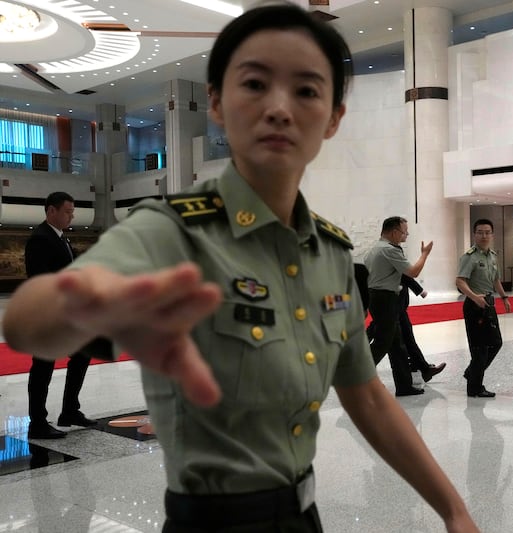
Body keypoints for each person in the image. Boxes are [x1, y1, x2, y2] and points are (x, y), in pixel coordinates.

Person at [2, 4, 478, 532]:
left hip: (304, 514)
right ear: (216, 103)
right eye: (254, 83)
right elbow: (30, 322)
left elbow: (365, 392)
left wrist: (453, 509)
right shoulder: (172, 230)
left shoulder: (329, 253)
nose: (279, 107)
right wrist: (83, 305)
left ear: (334, 117)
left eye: (306, 90)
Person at [24, 191, 97, 439]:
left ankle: (69, 410)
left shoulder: (60, 238)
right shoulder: (40, 238)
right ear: (51, 211)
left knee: (82, 354)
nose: (71, 216)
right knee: (43, 367)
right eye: (67, 211)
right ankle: (37, 423)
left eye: (72, 211)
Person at [363, 216, 432, 396]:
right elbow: (413, 272)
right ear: (394, 232)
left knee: (396, 345)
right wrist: (424, 254)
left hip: (381, 298)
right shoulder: (389, 250)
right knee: (382, 343)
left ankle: (404, 386)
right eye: (404, 232)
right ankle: (357, 378)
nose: (406, 235)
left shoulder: (376, 248)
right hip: (384, 299)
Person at [456, 219, 511, 398]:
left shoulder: (493, 256)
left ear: (492, 234)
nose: (484, 236)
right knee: (479, 348)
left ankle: (472, 372)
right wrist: (474, 297)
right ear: (474, 234)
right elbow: (460, 281)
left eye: (487, 232)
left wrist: (504, 298)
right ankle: (475, 388)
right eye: (480, 232)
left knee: (496, 342)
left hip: (489, 303)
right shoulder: (469, 256)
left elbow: (495, 280)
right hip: (474, 305)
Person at [366, 274, 446, 382]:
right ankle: (423, 368)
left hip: (391, 302)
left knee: (389, 333)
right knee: (403, 338)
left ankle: (419, 366)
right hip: (394, 303)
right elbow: (406, 272)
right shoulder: (389, 257)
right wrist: (419, 289)